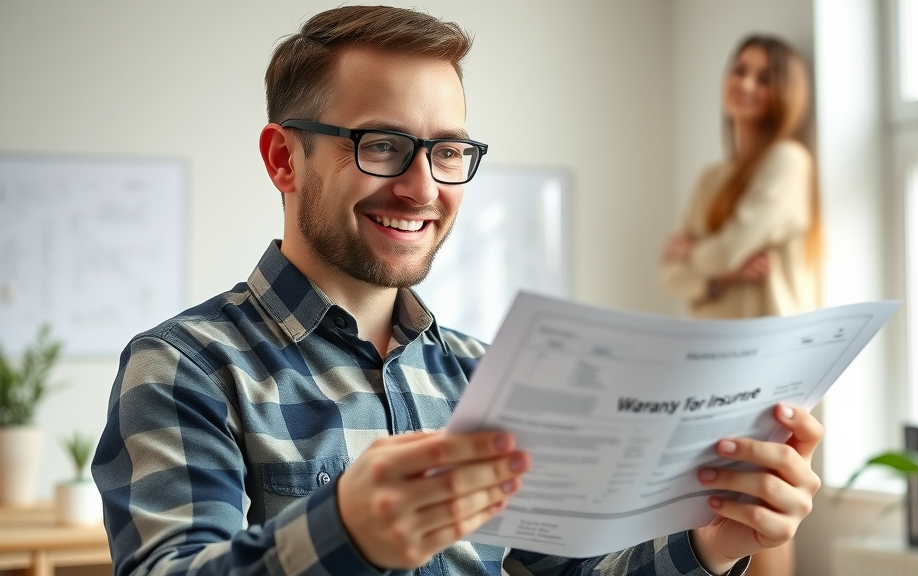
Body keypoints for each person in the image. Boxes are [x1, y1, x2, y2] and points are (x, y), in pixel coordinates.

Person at [93, 8, 823, 576]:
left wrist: (708, 544)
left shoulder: (488, 373)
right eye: (381, 145)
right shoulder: (183, 368)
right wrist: (342, 531)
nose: (422, 187)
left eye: (447, 151)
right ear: (285, 158)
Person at [659, 35, 823, 575]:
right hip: (714, 362)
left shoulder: (788, 161)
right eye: (741, 71)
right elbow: (672, 274)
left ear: (785, 96)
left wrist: (704, 259)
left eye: (764, 77)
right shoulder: (712, 179)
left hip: (773, 361)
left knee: (764, 510)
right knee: (717, 513)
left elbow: (712, 254)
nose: (747, 85)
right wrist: (720, 269)